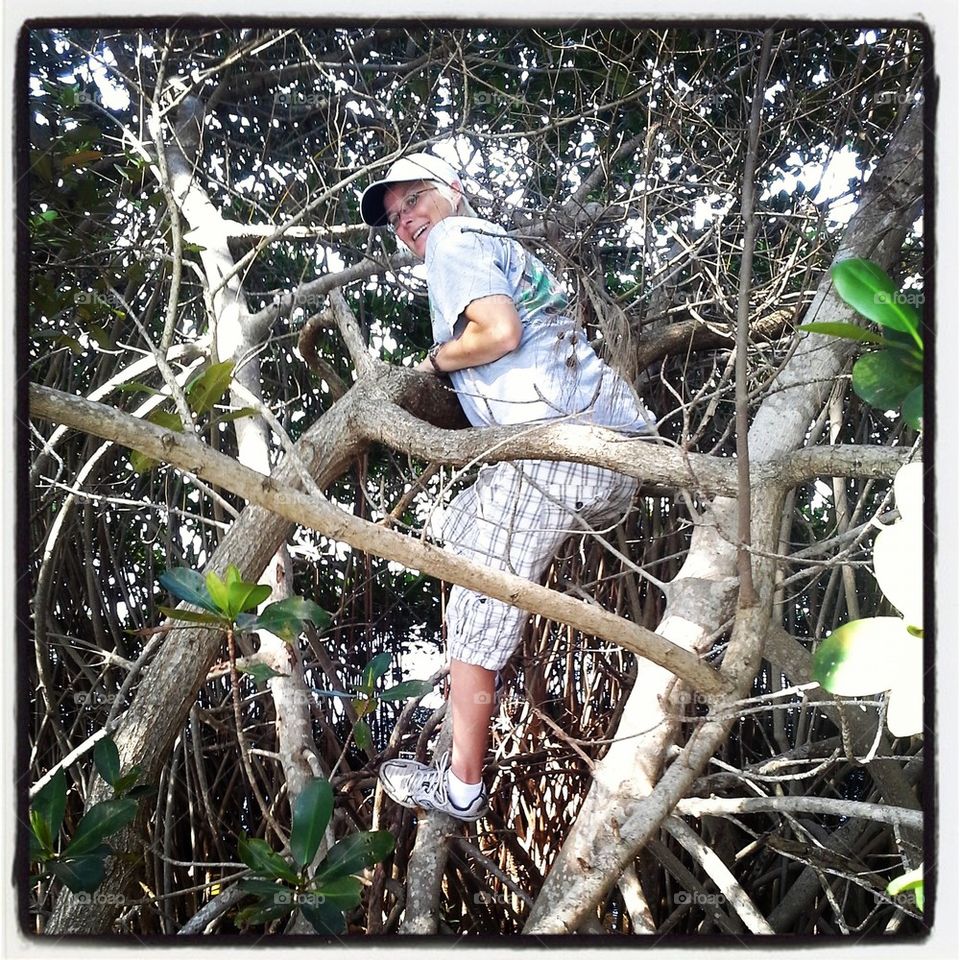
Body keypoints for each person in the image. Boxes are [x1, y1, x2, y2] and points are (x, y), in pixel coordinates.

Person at [359, 152, 656, 820]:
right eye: (396, 217)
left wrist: (435, 359)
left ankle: (461, 787)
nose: (407, 221)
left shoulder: (456, 241)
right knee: (457, 531)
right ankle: (487, 661)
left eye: (414, 201)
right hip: (603, 448)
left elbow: (498, 332)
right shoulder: (493, 243)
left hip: (563, 445)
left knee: (475, 607)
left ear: (454, 191)